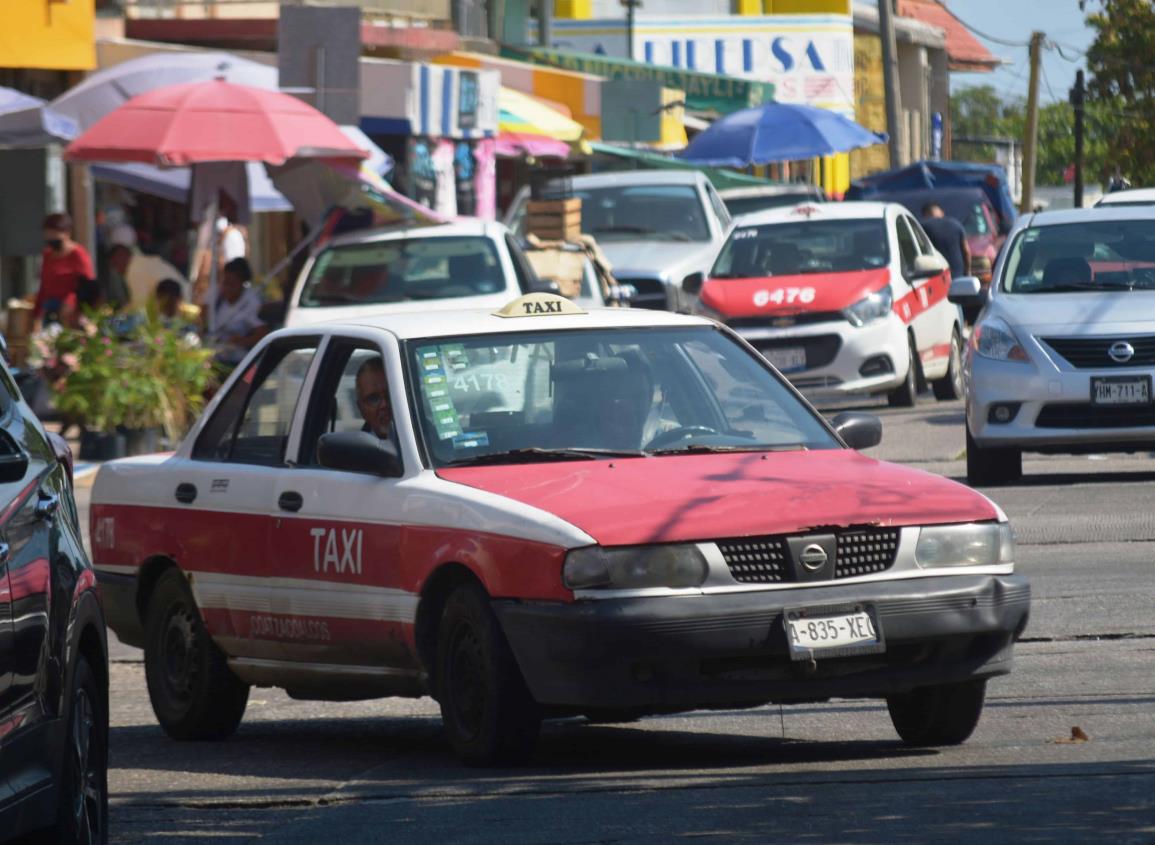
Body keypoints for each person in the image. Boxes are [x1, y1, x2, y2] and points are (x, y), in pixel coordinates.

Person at [35, 212, 95, 327]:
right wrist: (36, 314)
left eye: (55, 234)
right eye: (48, 235)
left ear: (67, 233)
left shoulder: (78, 255)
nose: (51, 239)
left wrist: (71, 303)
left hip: (71, 313)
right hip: (49, 310)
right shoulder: (48, 254)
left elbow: (88, 288)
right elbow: (44, 286)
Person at [205, 257, 265, 368]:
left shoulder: (251, 302)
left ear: (242, 283)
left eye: (232, 284)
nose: (227, 288)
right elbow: (203, 316)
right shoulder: (216, 295)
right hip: (214, 355)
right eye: (225, 283)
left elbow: (261, 334)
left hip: (238, 361)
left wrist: (242, 341)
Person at [355, 356, 399, 452]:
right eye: (373, 399)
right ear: (361, 408)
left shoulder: (431, 440)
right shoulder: (355, 458)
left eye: (390, 395)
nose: (384, 405)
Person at [920, 202, 970, 279]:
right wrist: (967, 272)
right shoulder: (956, 224)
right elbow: (966, 251)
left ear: (924, 215)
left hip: (936, 278)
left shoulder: (922, 227)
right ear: (942, 212)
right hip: (959, 277)